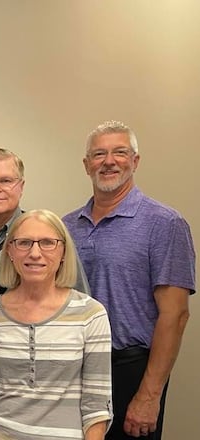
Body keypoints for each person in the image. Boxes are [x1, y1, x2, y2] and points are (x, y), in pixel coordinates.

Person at [63, 120, 195, 439]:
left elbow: (175, 315)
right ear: (86, 165)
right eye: (99, 154)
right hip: (73, 369)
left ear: (135, 161)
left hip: (130, 370)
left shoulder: (164, 224)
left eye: (120, 152)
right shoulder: (67, 227)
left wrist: (149, 395)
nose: (109, 161)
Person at [0, 209, 112, 440]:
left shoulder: (91, 314)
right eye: (24, 243)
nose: (35, 253)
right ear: (10, 251)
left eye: (48, 243)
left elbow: (97, 407)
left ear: (63, 252)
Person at [0, 148, 90, 354]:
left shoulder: (46, 237)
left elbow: (79, 306)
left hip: (29, 371)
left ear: (21, 187)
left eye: (5, 181)